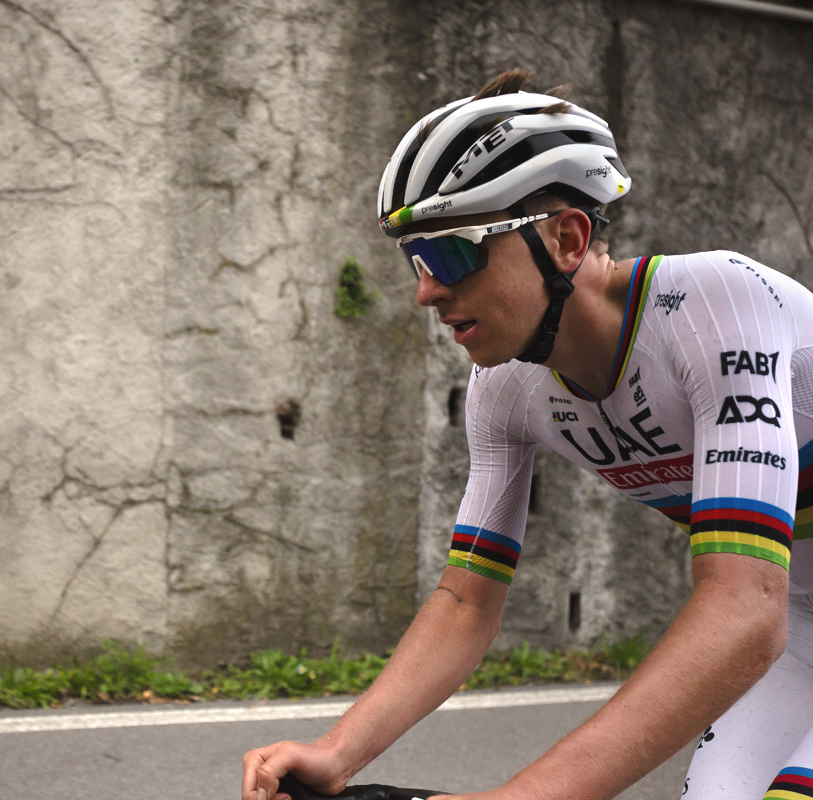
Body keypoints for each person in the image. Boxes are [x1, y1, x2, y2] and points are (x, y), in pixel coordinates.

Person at [242, 68, 813, 800]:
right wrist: (338, 751)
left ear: (567, 238)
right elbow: (466, 602)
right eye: (414, 260)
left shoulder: (716, 307)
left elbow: (743, 608)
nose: (427, 289)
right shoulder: (504, 386)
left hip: (773, 610)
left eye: (452, 252)